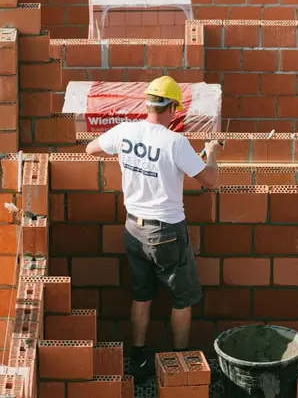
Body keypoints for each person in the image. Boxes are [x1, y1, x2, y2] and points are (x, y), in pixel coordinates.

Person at [85, 76, 221, 384]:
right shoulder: (175, 142)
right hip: (167, 232)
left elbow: (92, 149)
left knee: (142, 296)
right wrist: (211, 151)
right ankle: (180, 361)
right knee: (181, 298)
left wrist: (127, 157)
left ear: (148, 104)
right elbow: (210, 180)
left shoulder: (126, 131)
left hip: (134, 228)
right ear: (172, 108)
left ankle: (140, 358)